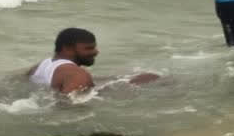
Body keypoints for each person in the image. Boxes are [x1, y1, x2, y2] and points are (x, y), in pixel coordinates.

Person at [26, 28, 159, 94]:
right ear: (67, 48)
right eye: (89, 48)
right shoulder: (77, 74)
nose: (96, 52)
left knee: (143, 76)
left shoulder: (42, 65)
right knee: (153, 77)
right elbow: (70, 108)